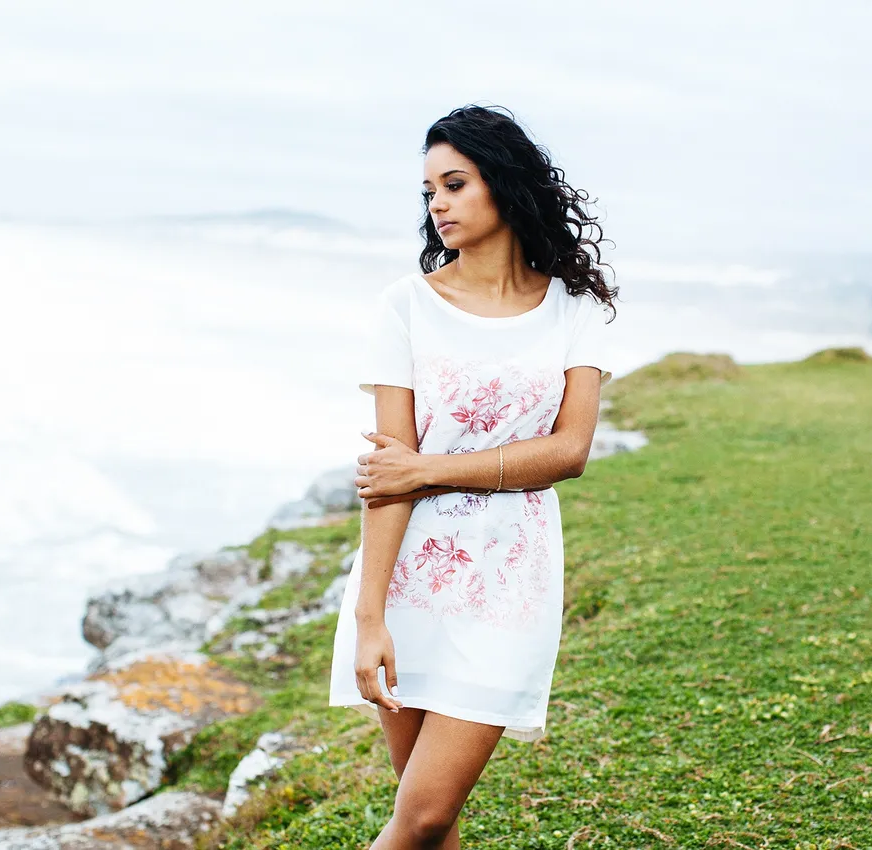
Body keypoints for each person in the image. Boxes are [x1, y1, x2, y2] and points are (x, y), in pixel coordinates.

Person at [327, 103, 619, 849]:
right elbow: (388, 477)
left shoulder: (574, 309)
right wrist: (369, 620)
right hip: (407, 582)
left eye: (455, 184)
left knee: (422, 815)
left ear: (505, 182)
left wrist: (427, 468)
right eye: (430, 191)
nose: (439, 204)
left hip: (510, 585)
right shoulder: (405, 306)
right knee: (434, 825)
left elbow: (569, 451)